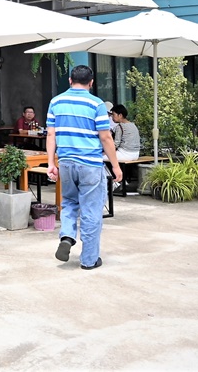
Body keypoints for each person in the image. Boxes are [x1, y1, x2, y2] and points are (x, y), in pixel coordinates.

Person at [46, 65, 122, 271]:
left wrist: (51, 163)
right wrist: (116, 166)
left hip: (66, 163)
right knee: (91, 210)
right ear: (91, 83)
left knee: (69, 202)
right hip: (90, 164)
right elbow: (105, 137)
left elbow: (51, 135)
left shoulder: (56, 102)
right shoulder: (96, 104)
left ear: (69, 80)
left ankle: (68, 236)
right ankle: (89, 260)